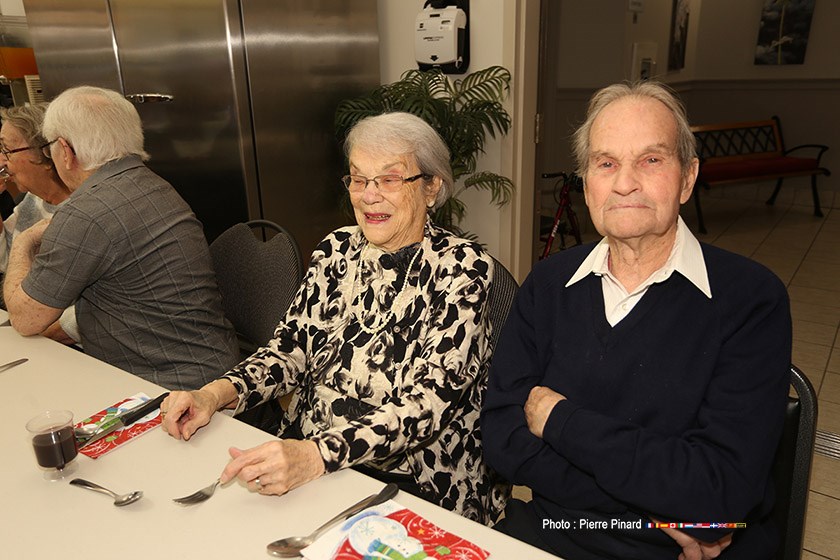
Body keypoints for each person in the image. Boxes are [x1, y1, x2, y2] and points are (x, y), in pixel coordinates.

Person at [481, 81, 791, 559]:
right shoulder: (547, 284)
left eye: (650, 160)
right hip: (562, 531)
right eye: (605, 163)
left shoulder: (752, 299)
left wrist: (560, 420)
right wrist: (659, 511)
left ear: (687, 177)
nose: (624, 183)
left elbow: (721, 490)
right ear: (587, 185)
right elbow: (502, 438)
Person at [159, 111, 509, 524]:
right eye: (358, 179)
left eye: (389, 179)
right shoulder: (337, 249)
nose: (368, 196)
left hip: (409, 475)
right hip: (309, 450)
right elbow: (289, 352)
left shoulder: (462, 268)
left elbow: (426, 404)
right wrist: (215, 394)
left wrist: (314, 456)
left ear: (431, 187)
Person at [3, 86, 239, 391]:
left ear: (66, 151)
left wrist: (23, 242)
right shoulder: (152, 184)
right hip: (213, 368)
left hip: (167, 387)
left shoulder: (85, 212)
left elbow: (25, 319)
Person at [0, 103, 76, 338]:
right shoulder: (31, 202)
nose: (2, 161)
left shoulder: (85, 213)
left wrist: (39, 337)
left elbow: (93, 309)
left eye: (7, 150)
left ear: (46, 154)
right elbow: (5, 264)